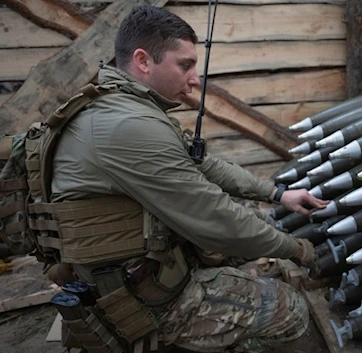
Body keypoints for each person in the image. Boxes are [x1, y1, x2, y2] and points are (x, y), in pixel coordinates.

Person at [48, 5, 326, 353]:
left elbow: (204, 165)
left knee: (246, 237)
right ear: (143, 61)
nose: (195, 79)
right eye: (185, 65)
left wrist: (277, 193)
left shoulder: (122, 107)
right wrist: (297, 250)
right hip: (137, 298)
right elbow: (215, 217)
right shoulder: (128, 127)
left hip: (127, 268)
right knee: (290, 309)